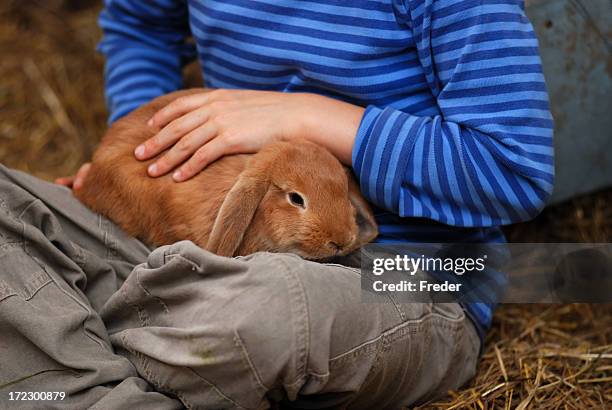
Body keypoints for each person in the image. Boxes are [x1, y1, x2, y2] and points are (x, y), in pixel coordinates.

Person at [1, 0, 553, 408]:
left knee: (265, 313)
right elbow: (139, 25)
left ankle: (69, 361)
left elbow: (514, 169)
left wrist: (310, 118)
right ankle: (125, 367)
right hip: (198, 227)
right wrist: (146, 161)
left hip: (405, 267)